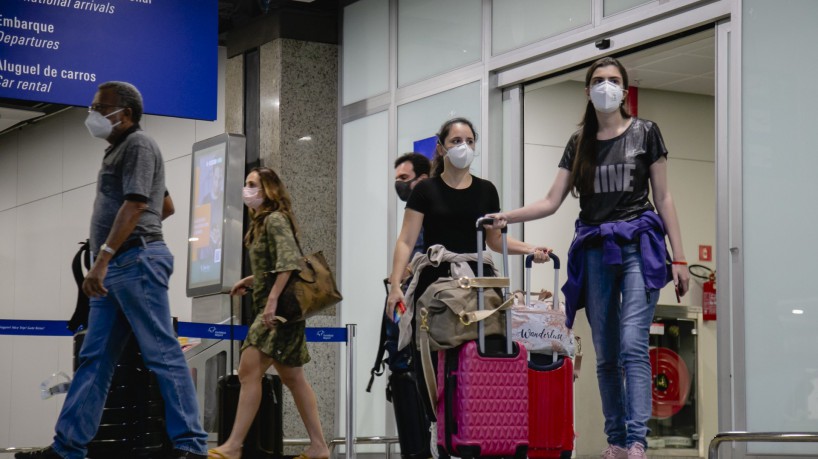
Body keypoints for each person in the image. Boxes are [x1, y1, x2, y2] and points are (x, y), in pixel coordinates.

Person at [487, 57, 691, 459]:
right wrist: (507, 216)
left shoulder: (646, 132)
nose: (605, 86)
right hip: (596, 247)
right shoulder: (579, 142)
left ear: (625, 90)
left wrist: (680, 258)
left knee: (633, 343)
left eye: (613, 80)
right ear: (587, 90)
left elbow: (664, 197)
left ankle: (637, 442)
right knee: (606, 351)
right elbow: (551, 200)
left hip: (638, 242)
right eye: (598, 80)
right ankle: (616, 441)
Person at [16, 82, 209, 459]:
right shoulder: (120, 150)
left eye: (101, 108)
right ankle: (67, 447)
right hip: (120, 264)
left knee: (161, 353)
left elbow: (137, 205)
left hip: (134, 262)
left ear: (127, 114)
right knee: (96, 359)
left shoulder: (139, 144)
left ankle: (191, 445)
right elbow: (164, 205)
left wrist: (104, 256)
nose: (93, 114)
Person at [385, 118, 550, 428]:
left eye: (470, 141)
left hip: (479, 282)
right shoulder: (426, 191)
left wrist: (530, 249)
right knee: (436, 358)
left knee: (480, 354)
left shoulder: (486, 190)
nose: (464, 147)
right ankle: (440, 429)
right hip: (438, 282)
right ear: (441, 147)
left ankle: (478, 427)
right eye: (456, 141)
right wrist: (396, 285)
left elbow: (495, 240)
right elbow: (406, 240)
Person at [208, 167, 329, 459]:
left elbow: (289, 264)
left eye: (253, 184)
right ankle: (319, 446)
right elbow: (275, 267)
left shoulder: (274, 220)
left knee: (249, 370)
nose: (247, 189)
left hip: (276, 315)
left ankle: (234, 446)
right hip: (278, 313)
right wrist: (252, 281)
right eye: (246, 183)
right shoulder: (262, 222)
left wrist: (272, 301)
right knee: (293, 378)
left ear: (268, 190)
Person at [394, 152, 431, 258]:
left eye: (404, 177)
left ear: (422, 180)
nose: (398, 183)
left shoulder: (433, 214)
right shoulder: (412, 213)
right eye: (397, 179)